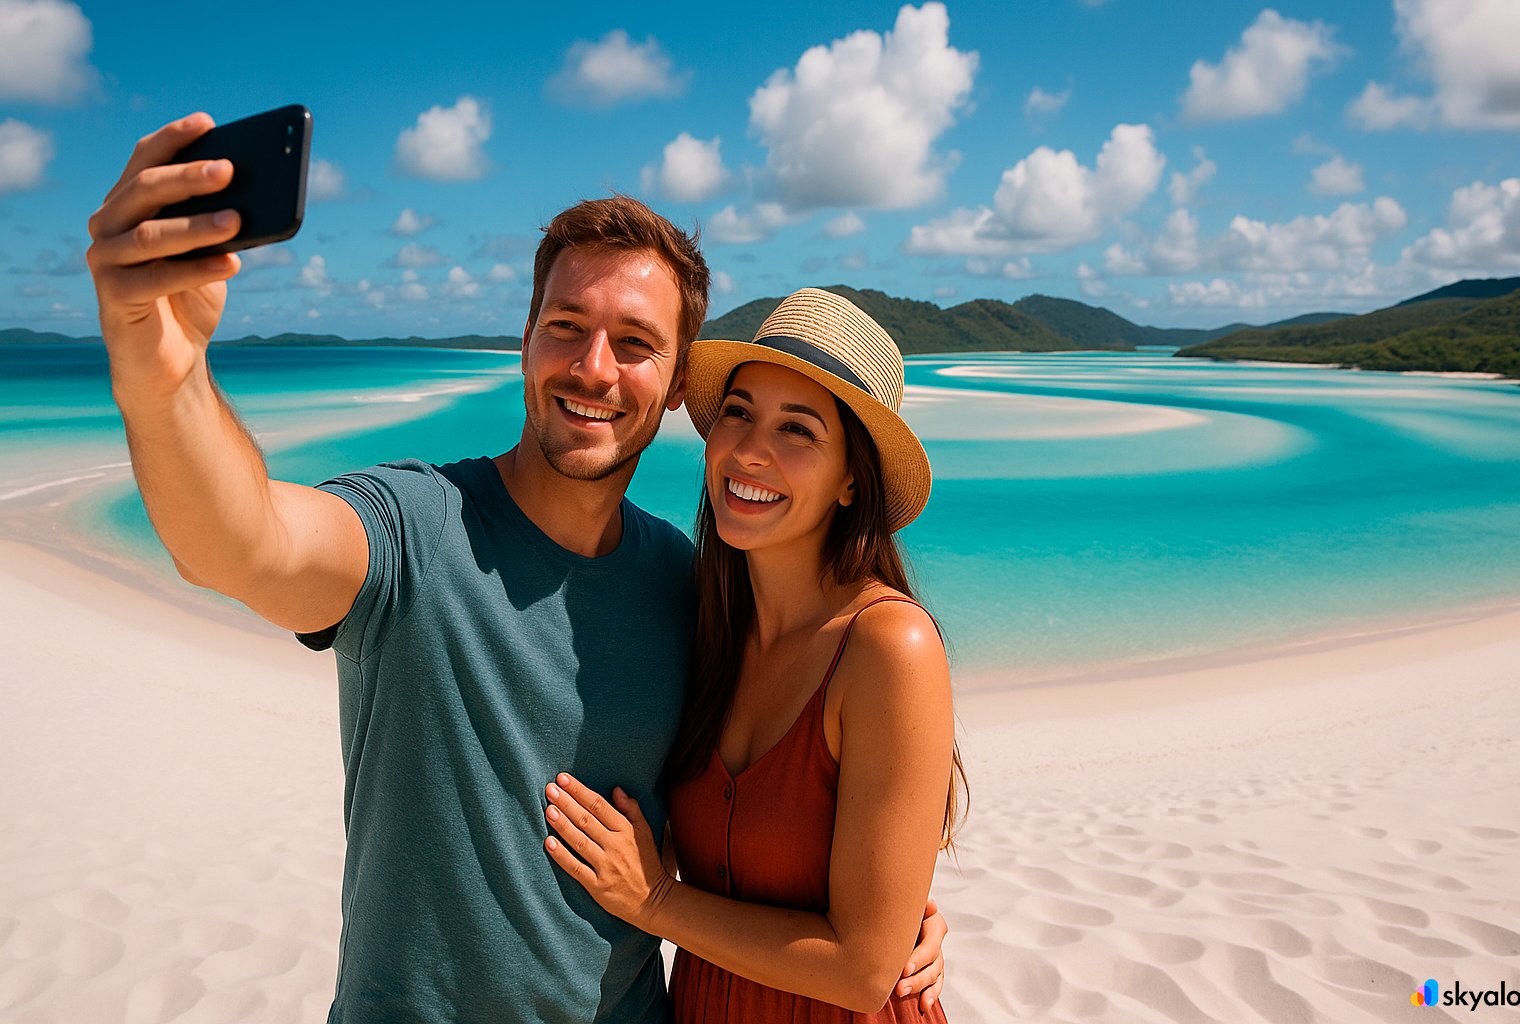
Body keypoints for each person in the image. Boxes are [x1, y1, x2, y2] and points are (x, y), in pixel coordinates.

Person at [85, 113, 946, 1023]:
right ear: (525, 341)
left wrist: (891, 922)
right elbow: (242, 541)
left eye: (636, 343)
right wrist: (161, 373)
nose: (594, 368)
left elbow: (799, 819)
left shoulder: (687, 584)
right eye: (566, 327)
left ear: (673, 376)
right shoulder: (417, 528)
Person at [543, 288, 962, 1021]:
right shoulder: (704, 625)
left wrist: (655, 900)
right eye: (738, 413)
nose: (750, 449)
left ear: (851, 480)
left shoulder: (889, 647)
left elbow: (864, 971)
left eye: (797, 430)